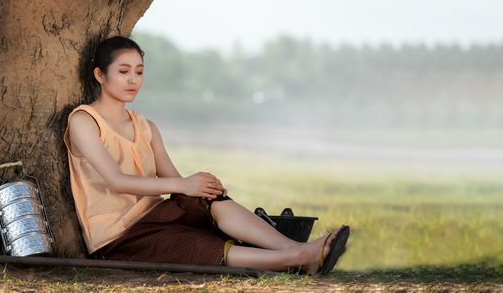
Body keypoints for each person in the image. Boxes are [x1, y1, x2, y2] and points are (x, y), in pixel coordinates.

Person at [63, 35, 350, 275]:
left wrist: (200, 188)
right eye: (123, 71)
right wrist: (184, 185)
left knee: (206, 196)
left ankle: (295, 248)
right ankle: (298, 259)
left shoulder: (146, 126)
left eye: (139, 71)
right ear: (100, 75)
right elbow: (117, 181)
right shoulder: (84, 121)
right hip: (119, 236)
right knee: (199, 246)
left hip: (156, 214)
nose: (133, 80)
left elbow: (176, 182)